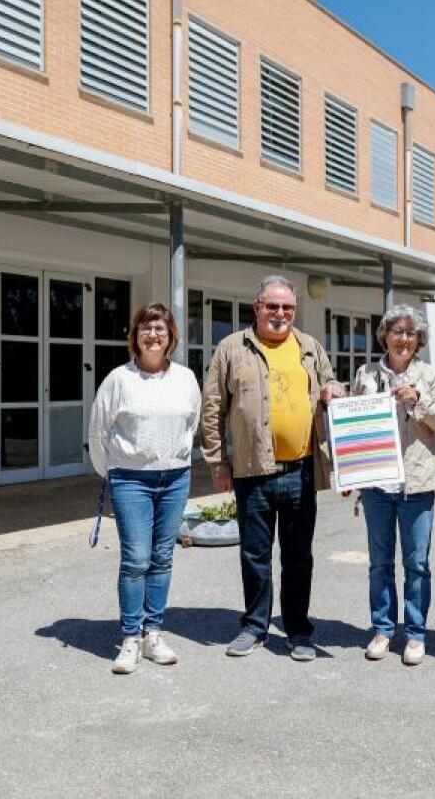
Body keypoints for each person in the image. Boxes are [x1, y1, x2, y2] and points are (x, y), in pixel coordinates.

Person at [201, 275, 345, 662]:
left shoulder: (310, 347)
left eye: (287, 307)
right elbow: (212, 408)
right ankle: (254, 626)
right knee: (255, 554)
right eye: (272, 306)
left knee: (298, 557)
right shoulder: (232, 348)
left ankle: (298, 630)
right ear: (257, 307)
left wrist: (335, 389)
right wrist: (218, 462)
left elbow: (330, 382)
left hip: (301, 471)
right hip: (252, 471)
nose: (280, 314)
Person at [89, 302, 201, 675]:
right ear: (134, 337)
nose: (153, 335)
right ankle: (130, 637)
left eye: (161, 329)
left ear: (171, 337)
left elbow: (192, 423)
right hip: (130, 479)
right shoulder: (118, 380)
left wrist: (177, 458)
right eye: (146, 329)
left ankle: (154, 631)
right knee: (136, 559)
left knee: (162, 558)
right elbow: (98, 432)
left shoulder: (185, 378)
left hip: (175, 479)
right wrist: (117, 473)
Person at [350, 305, 435, 666]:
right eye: (397, 331)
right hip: (377, 485)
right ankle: (382, 628)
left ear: (419, 340)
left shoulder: (430, 374)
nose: (404, 339)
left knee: (417, 564)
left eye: (411, 333)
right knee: (379, 563)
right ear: (385, 336)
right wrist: (352, 475)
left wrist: (420, 400)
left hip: (417, 483)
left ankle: (415, 634)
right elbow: (353, 427)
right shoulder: (365, 373)